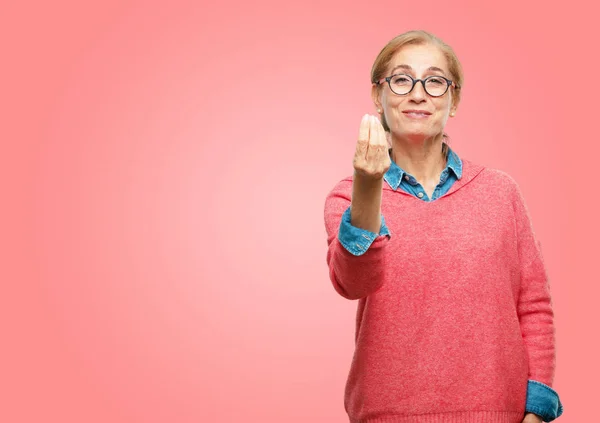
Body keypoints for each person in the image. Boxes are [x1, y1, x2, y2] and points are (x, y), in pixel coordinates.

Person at [323, 30, 563, 423]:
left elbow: (533, 306)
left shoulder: (500, 193)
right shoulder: (348, 195)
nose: (418, 94)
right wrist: (369, 185)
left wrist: (537, 409)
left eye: (435, 81)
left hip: (498, 414)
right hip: (388, 414)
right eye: (401, 79)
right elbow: (355, 282)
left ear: (454, 100)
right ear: (377, 95)